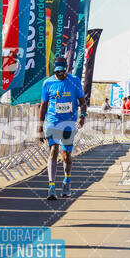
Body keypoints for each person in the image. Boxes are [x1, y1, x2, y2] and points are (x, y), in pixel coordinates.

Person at [38, 56, 87, 200]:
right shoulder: (48, 83)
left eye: (61, 71)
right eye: (57, 72)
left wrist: (82, 116)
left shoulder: (74, 81)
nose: (59, 74)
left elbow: (83, 102)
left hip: (69, 123)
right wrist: (40, 128)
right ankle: (51, 186)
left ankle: (67, 181)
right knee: (53, 150)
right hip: (52, 121)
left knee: (66, 155)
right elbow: (43, 106)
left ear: (66, 69)